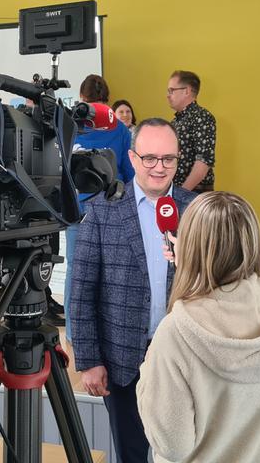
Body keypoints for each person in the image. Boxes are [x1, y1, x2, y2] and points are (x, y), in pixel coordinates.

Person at [137, 191, 260, 463]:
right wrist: (193, 262)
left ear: (191, 247)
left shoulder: (176, 332)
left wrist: (147, 377)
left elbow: (173, 446)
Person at [69, 118, 196, 462]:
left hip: (184, 356)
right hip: (122, 359)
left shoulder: (198, 210)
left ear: (178, 158)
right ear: (132, 157)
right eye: (149, 158)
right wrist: (90, 360)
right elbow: (81, 292)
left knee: (185, 450)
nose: (159, 167)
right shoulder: (101, 210)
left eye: (168, 159)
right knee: (132, 453)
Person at [60, 75, 135, 341]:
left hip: (75, 211)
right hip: (110, 210)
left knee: (75, 272)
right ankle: (107, 333)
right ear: (107, 102)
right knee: (110, 274)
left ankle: (72, 333)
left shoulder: (68, 127)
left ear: (82, 100)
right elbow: (128, 174)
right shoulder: (121, 130)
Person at [167, 70, 216, 193]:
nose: (168, 95)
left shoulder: (202, 117)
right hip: (176, 191)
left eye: (172, 90)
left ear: (187, 91)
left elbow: (203, 161)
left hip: (194, 195)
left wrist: (182, 193)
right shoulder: (175, 122)